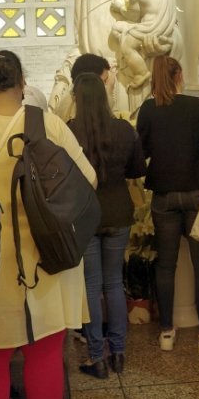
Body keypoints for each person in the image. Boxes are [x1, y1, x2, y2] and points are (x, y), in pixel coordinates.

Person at [0, 50, 96, 399]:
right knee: (44, 355)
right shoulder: (45, 123)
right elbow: (86, 177)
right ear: (21, 80)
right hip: (44, 257)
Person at [135, 55, 199, 355]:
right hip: (196, 192)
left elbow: (140, 150)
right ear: (179, 75)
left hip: (164, 195)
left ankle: (167, 332)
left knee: (166, 265)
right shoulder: (197, 106)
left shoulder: (148, 109)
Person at [68, 72, 146, 379]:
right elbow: (136, 169)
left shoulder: (70, 131)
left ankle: (97, 358)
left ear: (77, 99)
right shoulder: (123, 129)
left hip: (85, 214)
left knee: (90, 285)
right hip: (118, 212)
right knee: (114, 283)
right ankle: (119, 354)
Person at [109, 0, 183, 111]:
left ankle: (141, 73)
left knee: (126, 45)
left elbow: (133, 15)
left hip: (149, 29)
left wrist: (120, 6)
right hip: (166, 29)